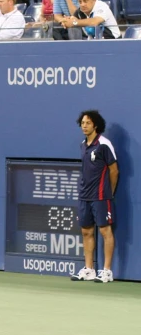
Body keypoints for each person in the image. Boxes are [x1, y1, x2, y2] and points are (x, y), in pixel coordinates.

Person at [72, 110, 118, 283]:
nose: (84, 126)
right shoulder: (83, 144)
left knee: (105, 231)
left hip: (100, 196)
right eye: (82, 123)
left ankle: (106, 271)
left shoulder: (104, 144)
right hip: (84, 195)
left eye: (88, 123)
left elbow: (114, 170)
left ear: (95, 125)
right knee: (86, 231)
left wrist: (109, 191)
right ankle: (89, 269)